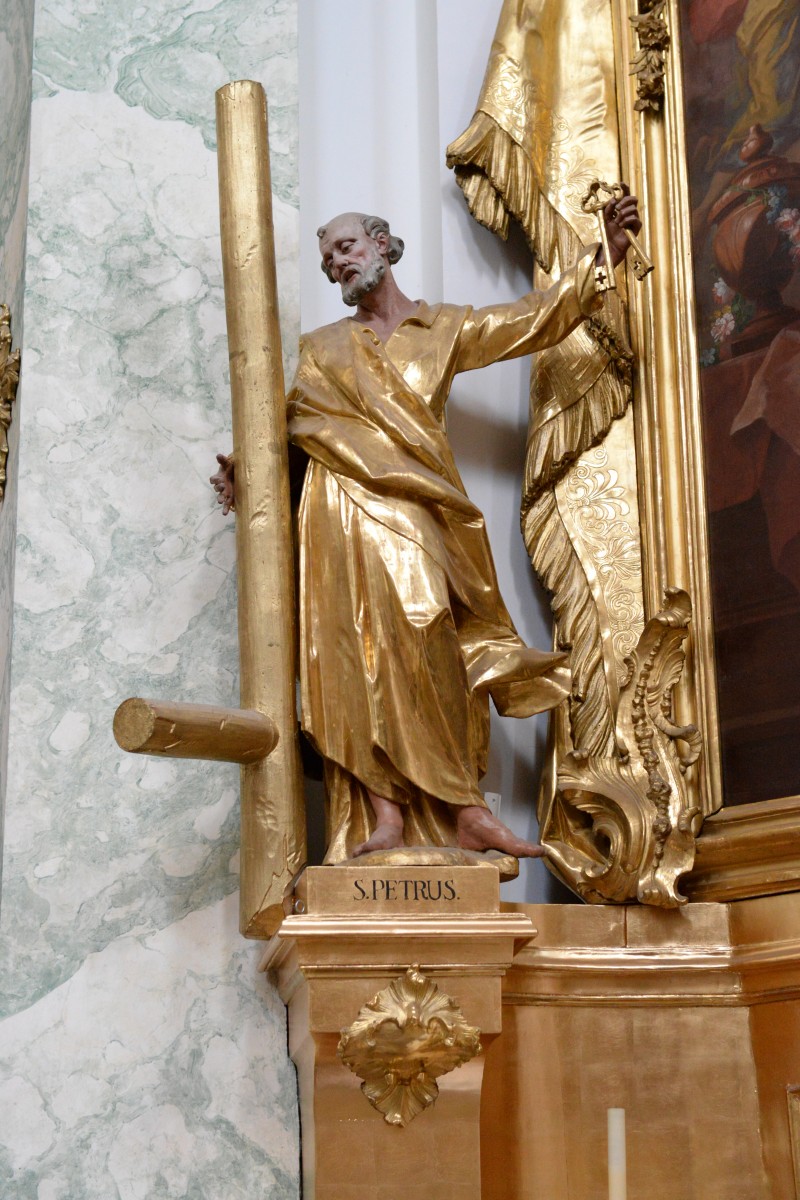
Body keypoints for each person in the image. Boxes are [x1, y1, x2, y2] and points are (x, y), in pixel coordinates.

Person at [212, 197, 640, 863]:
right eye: (329, 259)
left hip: (415, 509)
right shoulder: (321, 349)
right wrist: (245, 471)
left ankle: (463, 810)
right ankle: (385, 814)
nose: (338, 263)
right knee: (350, 656)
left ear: (383, 244)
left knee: (427, 634)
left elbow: (527, 321)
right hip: (339, 515)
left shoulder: (443, 327)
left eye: (347, 246)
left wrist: (597, 265)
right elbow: (284, 427)